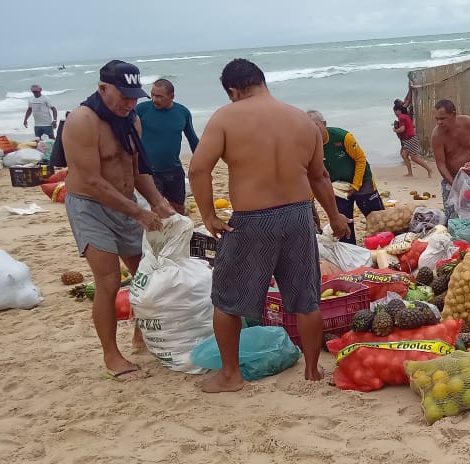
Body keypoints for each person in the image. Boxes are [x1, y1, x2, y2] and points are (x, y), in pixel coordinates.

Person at [188, 58, 350, 393]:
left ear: (233, 90)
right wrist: (334, 216)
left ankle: (231, 376)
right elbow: (319, 175)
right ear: (262, 81)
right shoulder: (301, 121)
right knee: (306, 298)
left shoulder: (226, 117)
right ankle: (312, 370)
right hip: (299, 216)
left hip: (252, 220)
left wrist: (209, 216)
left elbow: (198, 169)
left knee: (228, 301)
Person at [62, 60, 176, 381]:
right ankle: (112, 356)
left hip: (126, 203)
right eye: (123, 95)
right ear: (102, 88)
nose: (130, 102)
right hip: (89, 206)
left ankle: (143, 335)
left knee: (146, 274)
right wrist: (139, 212)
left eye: (134, 96)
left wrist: (158, 202)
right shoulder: (82, 121)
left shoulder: (131, 120)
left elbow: (137, 170)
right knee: (109, 281)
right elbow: (93, 181)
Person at [306, 109, 385, 244]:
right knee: (343, 221)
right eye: (308, 128)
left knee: (377, 218)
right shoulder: (308, 145)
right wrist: (310, 199)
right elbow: (312, 174)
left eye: (315, 126)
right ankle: (350, 250)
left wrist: (356, 184)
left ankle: (384, 243)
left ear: (324, 124)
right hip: (338, 187)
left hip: (362, 180)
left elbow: (360, 159)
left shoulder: (343, 137)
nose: (312, 131)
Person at [136, 79, 200, 215]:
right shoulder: (141, 110)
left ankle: (179, 235)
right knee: (156, 210)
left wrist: (203, 163)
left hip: (173, 170)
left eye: (159, 96)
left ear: (172, 96)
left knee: (179, 209)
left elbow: (193, 139)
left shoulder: (182, 112)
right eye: (152, 95)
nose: (154, 99)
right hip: (149, 171)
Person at [431, 99, 470, 219]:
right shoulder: (437, 135)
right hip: (450, 179)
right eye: (437, 119)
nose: (439, 122)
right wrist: (455, 185)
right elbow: (441, 165)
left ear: (453, 114)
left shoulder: (469, 123)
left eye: (442, 118)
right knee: (452, 217)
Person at [393, 104, 432, 177]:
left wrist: (395, 130)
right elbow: (412, 126)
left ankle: (429, 169)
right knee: (404, 155)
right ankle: (410, 173)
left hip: (410, 139)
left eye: (395, 111)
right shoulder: (406, 116)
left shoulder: (401, 117)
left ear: (398, 111)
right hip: (409, 139)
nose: (394, 113)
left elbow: (402, 129)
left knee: (414, 158)